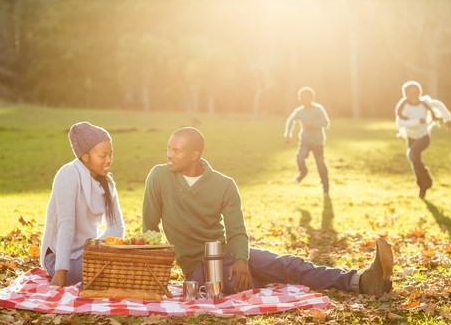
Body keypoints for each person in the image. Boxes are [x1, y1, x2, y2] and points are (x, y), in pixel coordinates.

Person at [142, 127, 394, 296]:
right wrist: (150, 274)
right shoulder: (159, 177)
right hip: (198, 267)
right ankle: (261, 278)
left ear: (194, 154)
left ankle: (359, 280)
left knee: (289, 264)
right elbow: (150, 229)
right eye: (169, 149)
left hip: (229, 251)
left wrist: (241, 259)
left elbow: (237, 230)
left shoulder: (224, 185)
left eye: (176, 151)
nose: (169, 155)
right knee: (244, 283)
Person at [40, 122, 125, 287]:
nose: (109, 160)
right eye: (103, 155)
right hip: (59, 258)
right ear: (85, 157)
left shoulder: (108, 184)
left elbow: (116, 226)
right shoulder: (68, 175)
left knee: (127, 264)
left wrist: (97, 250)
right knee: (113, 273)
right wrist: (60, 272)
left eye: (111, 154)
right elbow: (66, 225)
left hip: (88, 252)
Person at [395, 81, 451, 199]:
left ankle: (426, 179)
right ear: (405, 95)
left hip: (424, 137)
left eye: (416, 93)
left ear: (419, 93)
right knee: (414, 160)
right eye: (410, 93)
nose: (413, 96)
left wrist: (447, 118)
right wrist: (416, 122)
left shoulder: (424, 103)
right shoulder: (403, 106)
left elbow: (438, 105)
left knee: (412, 154)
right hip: (411, 137)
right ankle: (422, 185)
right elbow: (400, 122)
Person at [284, 87, 330, 195]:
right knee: (300, 158)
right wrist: (288, 135)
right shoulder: (299, 111)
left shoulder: (318, 109)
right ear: (300, 99)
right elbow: (291, 121)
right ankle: (303, 172)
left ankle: (325, 187)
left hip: (318, 142)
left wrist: (312, 124)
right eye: (303, 98)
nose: (306, 101)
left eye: (308, 98)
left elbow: (326, 123)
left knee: (320, 165)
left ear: (312, 98)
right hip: (305, 140)